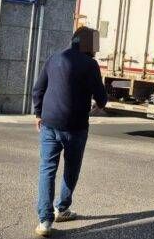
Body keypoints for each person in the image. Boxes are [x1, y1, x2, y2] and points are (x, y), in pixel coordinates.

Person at [32, 27, 108, 237]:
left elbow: (38, 89)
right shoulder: (90, 65)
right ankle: (62, 208)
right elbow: (101, 97)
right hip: (76, 126)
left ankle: (45, 221)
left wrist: (38, 113)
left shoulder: (54, 58)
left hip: (49, 122)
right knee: (71, 168)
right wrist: (99, 104)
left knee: (47, 169)